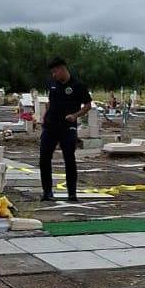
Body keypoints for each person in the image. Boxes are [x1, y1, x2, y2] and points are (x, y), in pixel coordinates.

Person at [39, 58, 92, 202]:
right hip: (50, 127)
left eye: (55, 72)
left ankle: (72, 193)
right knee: (44, 158)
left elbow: (88, 105)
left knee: (69, 159)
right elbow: (50, 101)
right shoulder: (53, 84)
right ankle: (47, 192)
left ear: (63, 69)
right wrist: (45, 117)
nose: (53, 75)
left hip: (67, 127)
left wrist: (75, 116)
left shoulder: (78, 85)